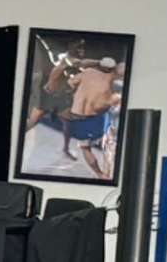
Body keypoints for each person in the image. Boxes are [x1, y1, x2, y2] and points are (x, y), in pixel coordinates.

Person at [20, 47, 123, 180]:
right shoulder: (69, 64)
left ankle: (66, 149)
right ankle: (101, 173)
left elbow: (72, 82)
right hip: (52, 97)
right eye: (79, 49)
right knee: (35, 122)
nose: (82, 52)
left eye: (82, 49)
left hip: (63, 101)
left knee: (67, 123)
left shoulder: (86, 72)